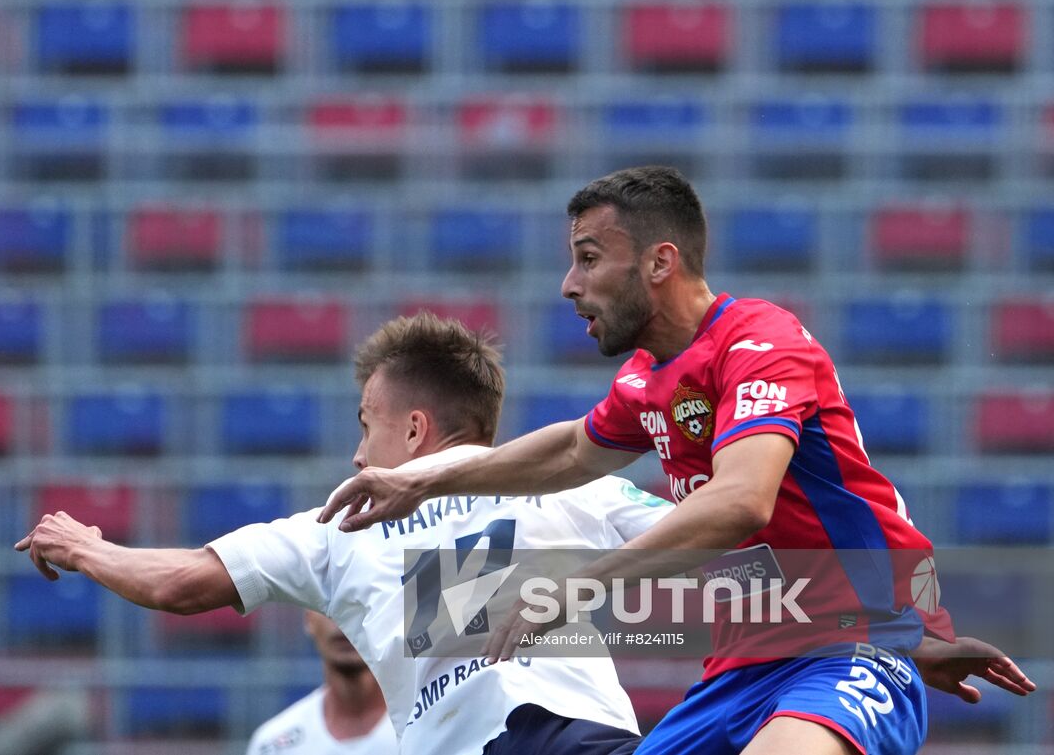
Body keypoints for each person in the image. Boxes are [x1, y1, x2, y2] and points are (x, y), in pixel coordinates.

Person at [317, 167, 1037, 755]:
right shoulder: (647, 375)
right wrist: (419, 477)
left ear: (661, 261)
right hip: (739, 669)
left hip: (853, 647)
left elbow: (740, 501)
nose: (569, 283)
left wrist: (577, 586)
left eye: (589, 258)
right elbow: (572, 448)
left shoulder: (763, 342)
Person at [18, 312, 673, 754]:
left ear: (415, 428)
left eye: (367, 424)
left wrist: (85, 546)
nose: (359, 456)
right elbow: (721, 536)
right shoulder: (573, 485)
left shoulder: (344, 520)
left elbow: (182, 582)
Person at [245, 612, 395, 755]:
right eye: (329, 605)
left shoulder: (417, 730)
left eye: (357, 604)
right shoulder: (271, 745)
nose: (344, 620)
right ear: (308, 619)